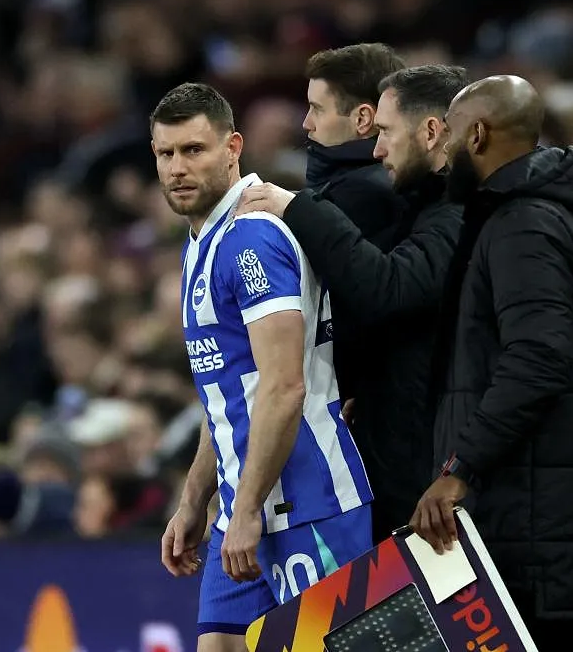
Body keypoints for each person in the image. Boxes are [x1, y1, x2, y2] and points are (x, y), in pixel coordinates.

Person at [410, 75, 573, 651]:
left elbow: (538, 359)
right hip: (561, 524)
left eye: (450, 137)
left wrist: (459, 466)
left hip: (536, 530)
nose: (442, 153)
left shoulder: (524, 224)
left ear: (479, 135)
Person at [149, 83, 373, 651]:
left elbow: (282, 386)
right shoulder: (201, 242)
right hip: (241, 508)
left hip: (308, 500)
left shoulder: (252, 237)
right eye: (165, 154)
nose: (177, 167)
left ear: (233, 147)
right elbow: (227, 393)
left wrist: (245, 507)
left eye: (194, 150)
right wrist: (196, 499)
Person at [236, 64, 468, 539]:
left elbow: (387, 290)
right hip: (410, 449)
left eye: (386, 132)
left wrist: (297, 206)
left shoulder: (457, 214)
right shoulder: (428, 208)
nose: (378, 149)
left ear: (430, 132)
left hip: (430, 470)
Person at [300, 43, 408, 249]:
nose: (306, 123)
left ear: (362, 119)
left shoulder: (362, 194)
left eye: (317, 109)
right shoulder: (351, 180)